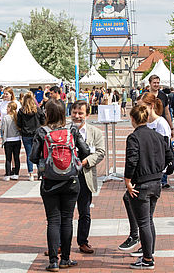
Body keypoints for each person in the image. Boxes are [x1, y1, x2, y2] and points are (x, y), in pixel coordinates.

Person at [30, 99, 89, 272]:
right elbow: (85, 151)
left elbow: (33, 157)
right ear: (64, 113)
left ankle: (53, 262)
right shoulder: (71, 129)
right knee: (67, 220)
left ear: (47, 114)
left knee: (53, 221)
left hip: (49, 182)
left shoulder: (42, 131)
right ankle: (66, 259)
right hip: (71, 181)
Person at [124, 105, 173, 270]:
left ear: (133, 119)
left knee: (143, 222)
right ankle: (148, 253)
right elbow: (170, 156)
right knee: (148, 220)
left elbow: (132, 160)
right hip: (156, 181)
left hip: (142, 183)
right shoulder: (158, 136)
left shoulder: (134, 137)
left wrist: (128, 180)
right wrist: (161, 169)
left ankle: (147, 259)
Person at [71, 100, 105, 254]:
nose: (77, 116)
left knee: (84, 211)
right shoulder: (64, 130)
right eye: (74, 113)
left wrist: (86, 161)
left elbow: (100, 152)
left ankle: (83, 241)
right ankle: (60, 244)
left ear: (87, 115)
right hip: (67, 177)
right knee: (65, 213)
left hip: (85, 176)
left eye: (80, 113)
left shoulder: (95, 132)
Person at [17, 92, 45, 181]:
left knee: (29, 154)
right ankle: (40, 173)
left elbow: (19, 123)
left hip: (26, 134)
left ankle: (30, 173)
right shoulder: (37, 110)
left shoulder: (21, 111)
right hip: (37, 134)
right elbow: (43, 121)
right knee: (39, 154)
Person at [1, 102, 22, 181]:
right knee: (16, 157)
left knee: (8, 158)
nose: (7, 109)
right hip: (17, 139)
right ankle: (16, 174)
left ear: (10, 108)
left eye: (8, 107)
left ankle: (8, 174)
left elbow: (3, 128)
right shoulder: (17, 117)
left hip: (8, 139)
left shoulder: (6, 117)